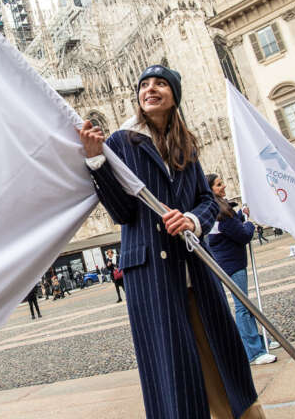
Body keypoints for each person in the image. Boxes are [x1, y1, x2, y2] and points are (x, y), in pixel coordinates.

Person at [78, 64, 262, 419]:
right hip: (151, 273)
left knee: (221, 356)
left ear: (174, 95)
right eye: (144, 84)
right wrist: (96, 161)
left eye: (161, 84)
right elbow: (123, 213)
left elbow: (207, 200)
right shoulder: (121, 142)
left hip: (194, 267)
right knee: (172, 370)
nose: (151, 89)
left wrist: (192, 220)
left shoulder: (185, 144)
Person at [205, 174, 279, 366]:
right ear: (210, 189)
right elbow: (242, 234)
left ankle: (257, 340)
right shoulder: (220, 213)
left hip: (225, 263)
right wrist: (248, 224)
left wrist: (241, 214)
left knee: (244, 305)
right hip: (233, 264)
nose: (223, 186)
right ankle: (254, 352)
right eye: (219, 185)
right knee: (243, 307)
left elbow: (230, 225)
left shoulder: (213, 211)